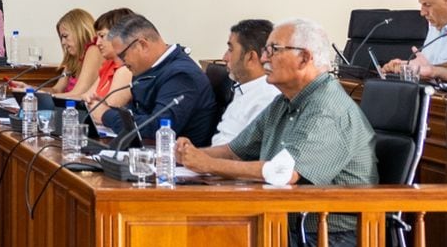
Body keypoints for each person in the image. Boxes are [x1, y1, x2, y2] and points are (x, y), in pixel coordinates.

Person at [177, 18, 377, 186]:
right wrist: (186, 156)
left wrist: (207, 164)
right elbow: (234, 152)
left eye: (274, 50)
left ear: (304, 58)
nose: (264, 58)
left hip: (327, 230)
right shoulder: (283, 101)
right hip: (283, 219)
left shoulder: (328, 108)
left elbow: (283, 172)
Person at [92, 13, 217, 146]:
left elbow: (158, 128)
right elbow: (136, 113)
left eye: (122, 55)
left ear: (142, 45)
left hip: (175, 162)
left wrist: (107, 115)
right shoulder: (150, 69)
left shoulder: (182, 75)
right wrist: (108, 109)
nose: (120, 61)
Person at [212, 17, 281, 146]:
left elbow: (240, 156)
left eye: (231, 50)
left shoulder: (267, 99)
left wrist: (198, 157)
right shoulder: (243, 88)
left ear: (250, 57)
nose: (224, 58)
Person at [19, 7, 107, 104]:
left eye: (65, 36)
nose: (63, 42)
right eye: (61, 38)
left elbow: (77, 94)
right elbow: (57, 90)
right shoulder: (73, 58)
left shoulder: (93, 50)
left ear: (80, 32)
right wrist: (30, 90)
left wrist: (37, 97)